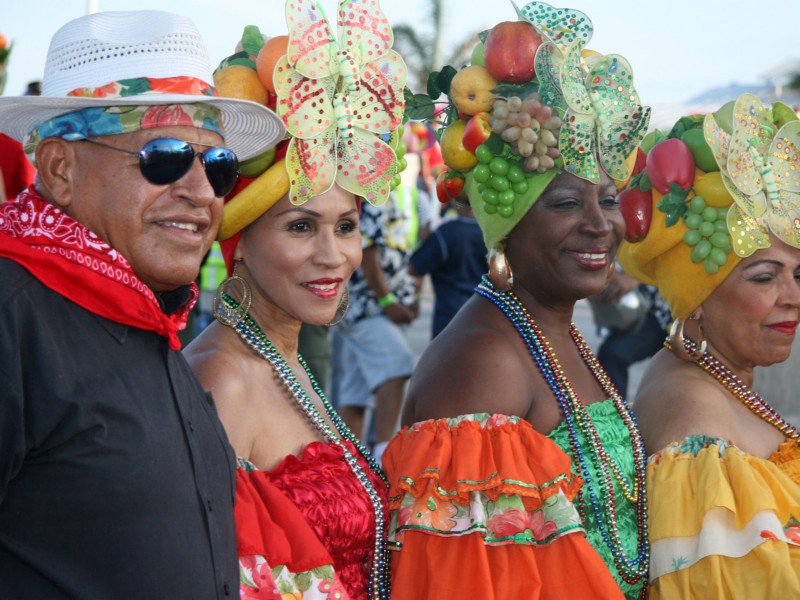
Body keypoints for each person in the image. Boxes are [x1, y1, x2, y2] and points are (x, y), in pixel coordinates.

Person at [0, 10, 284, 598]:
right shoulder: (13, 316)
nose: (202, 192)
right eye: (166, 157)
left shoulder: (145, 314)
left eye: (217, 164)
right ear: (60, 170)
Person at [382, 4, 651, 598]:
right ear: (505, 222)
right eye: (562, 204)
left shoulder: (555, 329)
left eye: (606, 199)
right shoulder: (483, 363)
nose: (599, 225)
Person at [183, 5, 407, 598]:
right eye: (301, 228)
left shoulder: (285, 360)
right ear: (241, 242)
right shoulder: (220, 381)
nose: (334, 256)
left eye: (346, 227)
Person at [619, 93, 800, 597]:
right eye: (765, 278)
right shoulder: (692, 410)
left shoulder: (716, 378)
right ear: (696, 298)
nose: (793, 298)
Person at [333, 152, 430, 462]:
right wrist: (388, 301)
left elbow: (416, 246)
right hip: (367, 307)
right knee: (398, 367)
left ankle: (348, 460)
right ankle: (383, 453)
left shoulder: (406, 194)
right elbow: (368, 250)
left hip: (376, 306)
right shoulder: (371, 193)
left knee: (355, 391)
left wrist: (411, 296)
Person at [408, 189, 487, 338]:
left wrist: (423, 240)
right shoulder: (492, 234)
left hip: (449, 319)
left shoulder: (445, 233)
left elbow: (414, 268)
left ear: (454, 202)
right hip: (485, 315)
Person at [591, 270, 672, 400]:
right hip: (643, 312)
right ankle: (615, 416)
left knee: (670, 376)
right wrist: (608, 274)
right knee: (612, 354)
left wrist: (636, 277)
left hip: (676, 312)